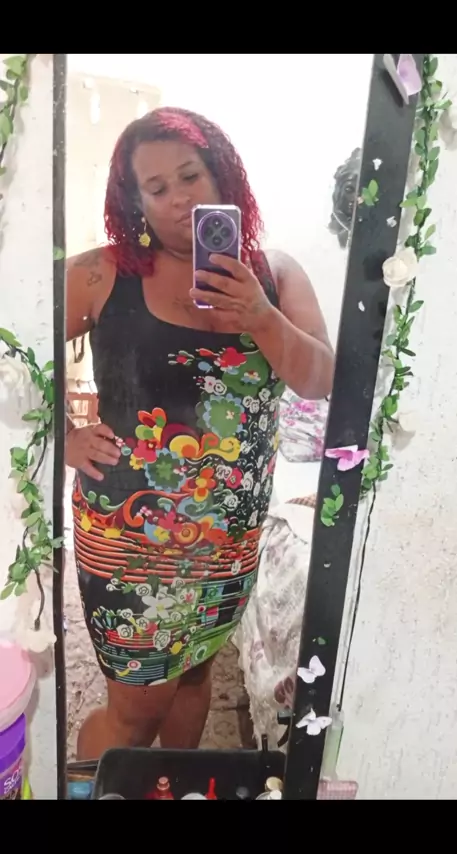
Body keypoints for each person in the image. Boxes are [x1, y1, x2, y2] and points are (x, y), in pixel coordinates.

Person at [66, 106, 334, 759]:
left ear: (221, 175)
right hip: (131, 535)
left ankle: (170, 789)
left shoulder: (276, 275)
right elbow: (14, 340)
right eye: (157, 188)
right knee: (135, 712)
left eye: (191, 176)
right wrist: (61, 433)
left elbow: (320, 380)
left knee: (193, 676)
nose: (180, 198)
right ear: (133, 201)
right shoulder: (102, 274)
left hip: (231, 537)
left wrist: (261, 315)